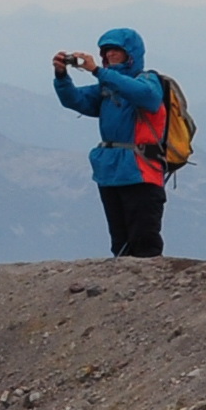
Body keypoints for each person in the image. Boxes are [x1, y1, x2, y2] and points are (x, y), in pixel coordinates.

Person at [53, 28, 170, 258]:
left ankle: (150, 280)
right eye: (106, 51)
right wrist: (61, 77)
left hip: (142, 171)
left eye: (116, 50)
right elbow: (75, 100)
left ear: (131, 54)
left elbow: (146, 96)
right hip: (110, 171)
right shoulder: (106, 88)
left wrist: (98, 71)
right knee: (120, 241)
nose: (109, 55)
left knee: (144, 240)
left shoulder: (149, 80)